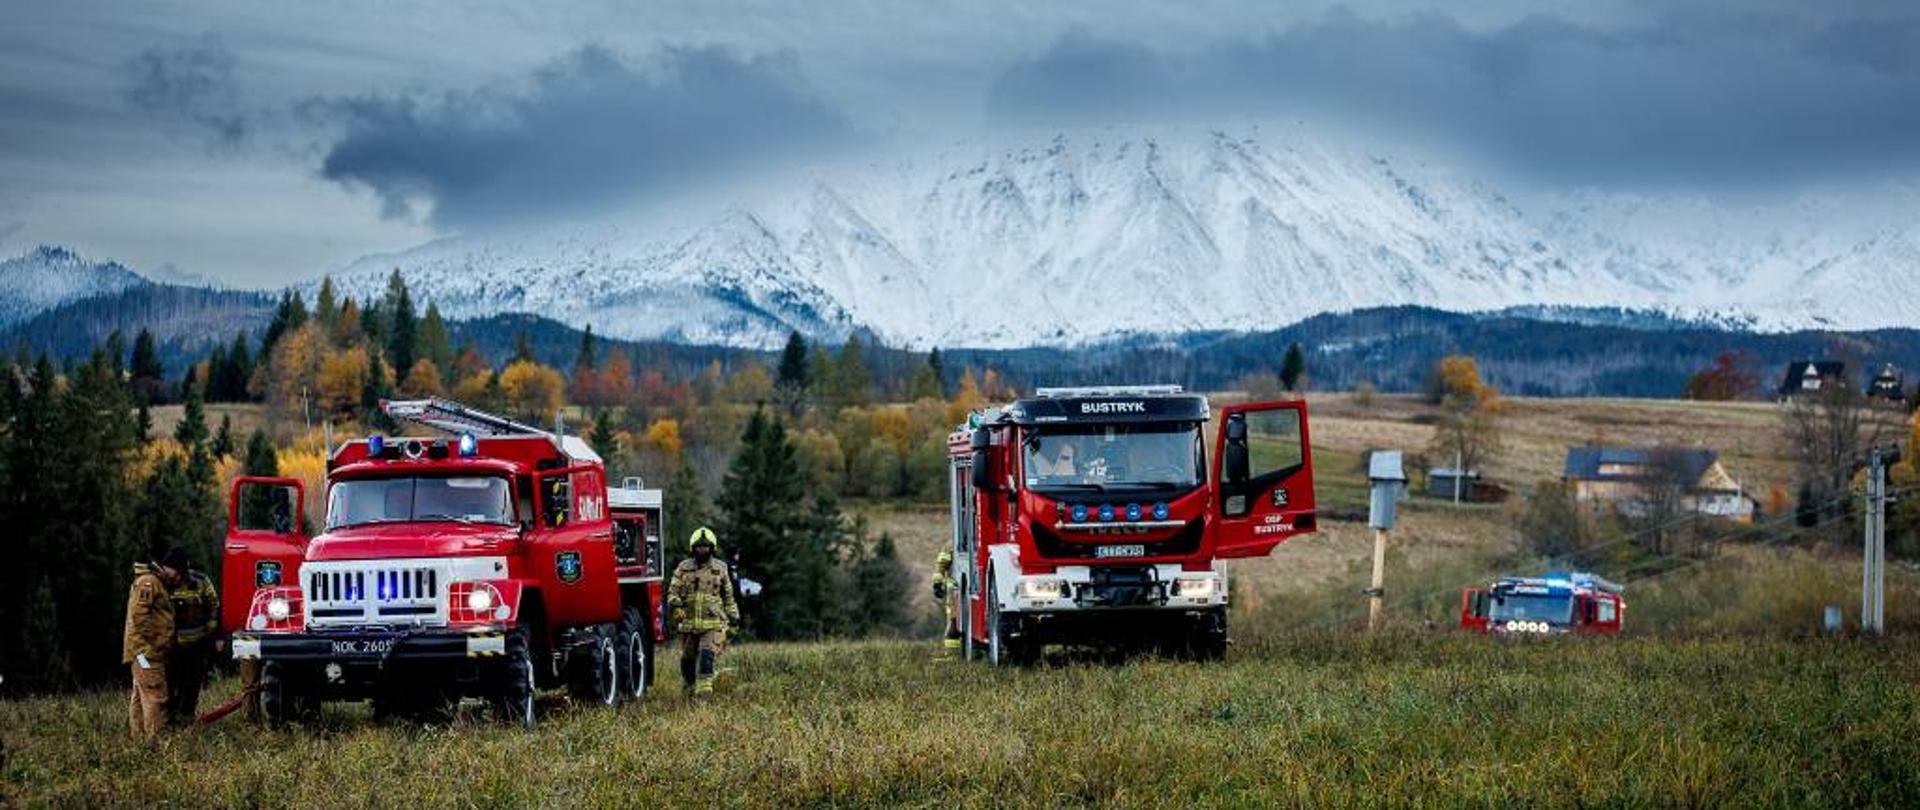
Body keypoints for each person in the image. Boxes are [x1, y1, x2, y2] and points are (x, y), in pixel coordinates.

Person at [667, 527, 739, 697]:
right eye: (699, 547)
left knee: (707, 655)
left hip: (713, 623)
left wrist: (734, 619)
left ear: (712, 548)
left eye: (706, 547)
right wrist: (676, 607)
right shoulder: (683, 568)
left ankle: (704, 694)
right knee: (687, 660)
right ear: (693, 548)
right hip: (689, 624)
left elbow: (729, 597)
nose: (702, 550)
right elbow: (672, 592)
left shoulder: (721, 568)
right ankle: (690, 686)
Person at [123, 547, 185, 739]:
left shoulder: (155, 582)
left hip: (142, 652)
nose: (179, 578)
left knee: (140, 697)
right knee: (156, 696)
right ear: (171, 568)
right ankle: (155, 743)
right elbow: (140, 617)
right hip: (146, 654)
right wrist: (158, 642)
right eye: (179, 572)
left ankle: (140, 741)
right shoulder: (149, 582)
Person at [166, 561, 220, 725]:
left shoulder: (200, 580)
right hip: (172, 647)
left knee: (193, 683)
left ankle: (187, 717)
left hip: (197, 645)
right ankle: (170, 718)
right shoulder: (164, 582)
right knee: (170, 683)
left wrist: (211, 634)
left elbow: (214, 606)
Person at [931, 548, 961, 659]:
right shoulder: (951, 547)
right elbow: (941, 566)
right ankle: (952, 655)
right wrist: (937, 583)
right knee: (953, 623)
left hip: (963, 590)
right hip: (954, 591)